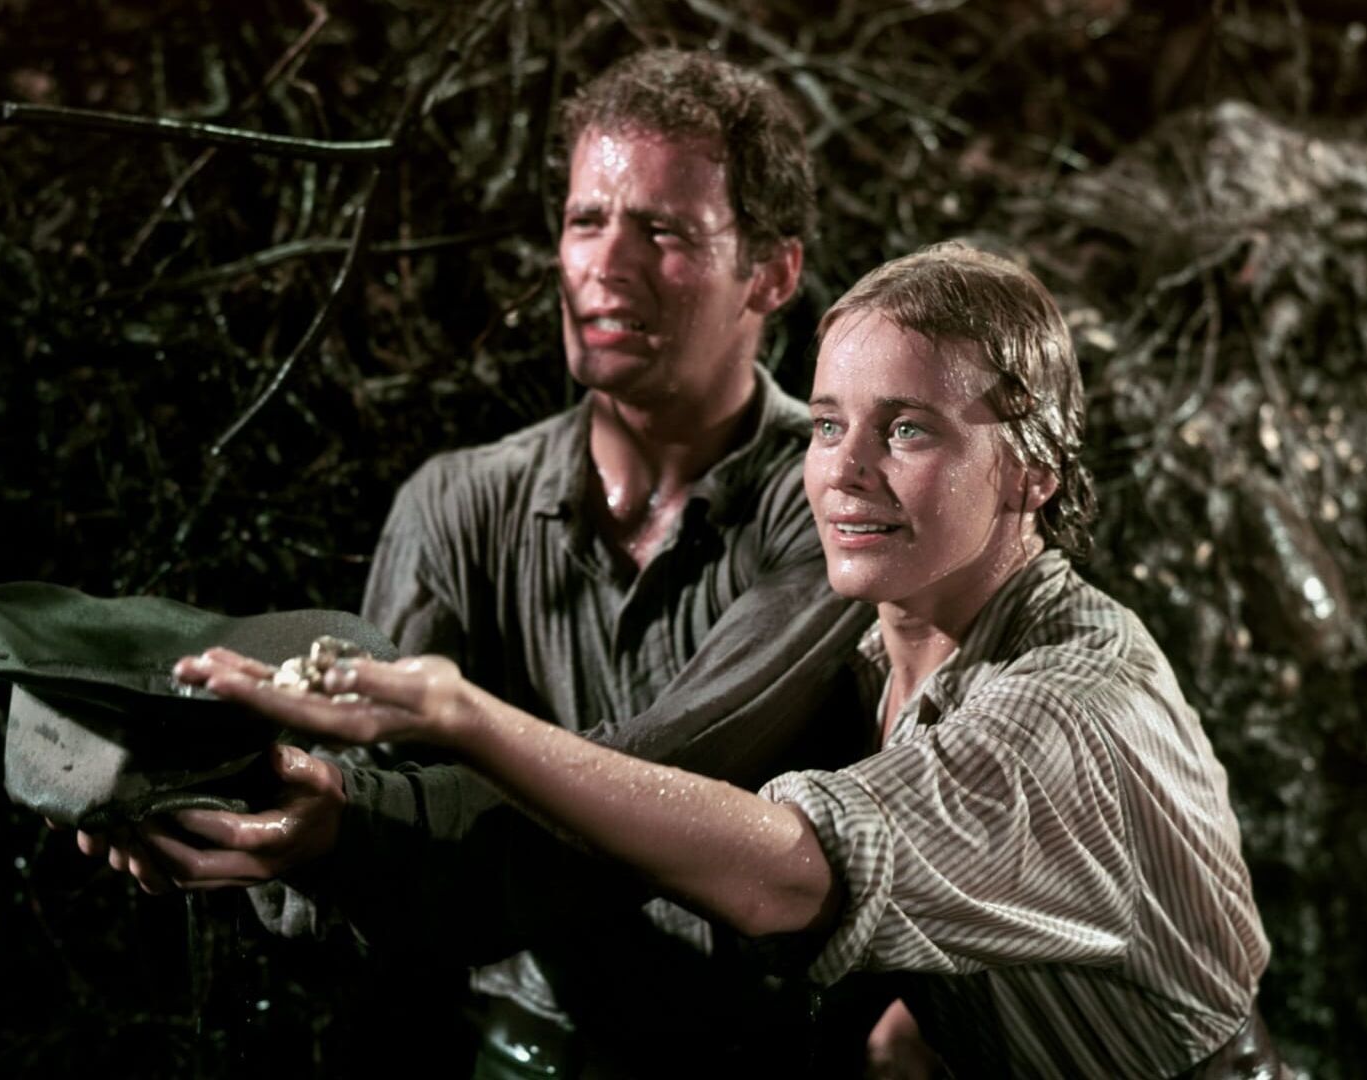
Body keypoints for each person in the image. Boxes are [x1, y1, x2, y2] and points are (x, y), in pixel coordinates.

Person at [176, 242, 1281, 1077]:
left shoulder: (1067, 703)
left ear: (1034, 470)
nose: (844, 471)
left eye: (907, 430)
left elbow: (787, 874)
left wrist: (461, 717)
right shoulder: (875, 641)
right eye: (829, 425)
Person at [82, 49, 886, 1075]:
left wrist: (350, 826)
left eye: (663, 231)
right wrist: (243, 803)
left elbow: (670, 776)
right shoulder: (457, 505)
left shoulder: (835, 505)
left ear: (772, 272)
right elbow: (360, 789)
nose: (606, 262)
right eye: (586, 220)